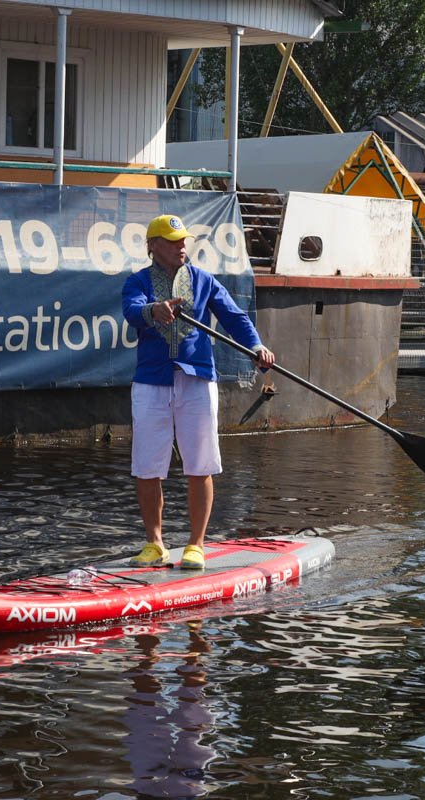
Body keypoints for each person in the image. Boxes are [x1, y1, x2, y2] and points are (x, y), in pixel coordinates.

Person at [122, 214, 276, 569]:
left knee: (200, 464)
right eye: (174, 241)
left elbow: (234, 317)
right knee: (147, 467)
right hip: (151, 381)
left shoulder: (204, 281)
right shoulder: (138, 281)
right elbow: (131, 311)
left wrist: (256, 346)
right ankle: (155, 543)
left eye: (184, 240)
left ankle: (196, 544)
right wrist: (153, 310)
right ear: (153, 246)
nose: (182, 246)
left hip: (197, 379)